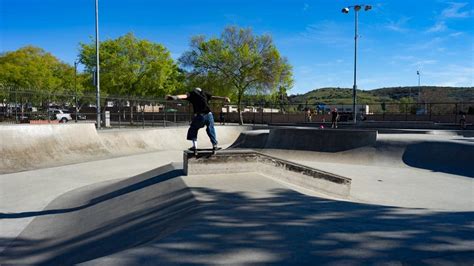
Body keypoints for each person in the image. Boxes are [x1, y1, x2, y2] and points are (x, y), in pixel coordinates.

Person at [166, 88, 230, 153]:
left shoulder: (192, 93)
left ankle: (195, 146)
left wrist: (173, 97)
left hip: (200, 116)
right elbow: (214, 97)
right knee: (211, 129)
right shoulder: (205, 93)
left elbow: (184, 96)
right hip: (209, 115)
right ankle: (214, 145)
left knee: (193, 128)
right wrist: (224, 98)